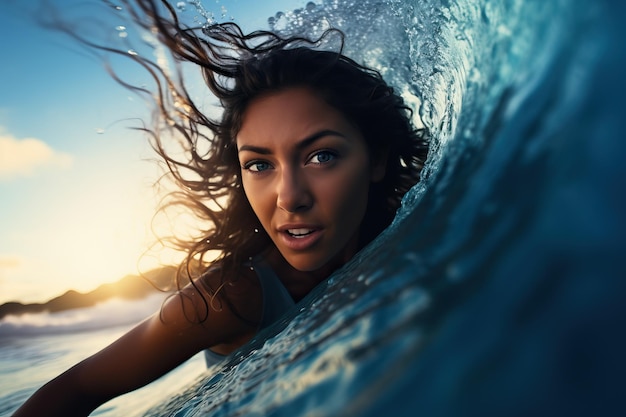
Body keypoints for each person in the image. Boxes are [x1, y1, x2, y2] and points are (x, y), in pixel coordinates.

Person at [14, 1, 429, 415]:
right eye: (259, 164)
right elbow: (72, 391)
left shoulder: (410, 225)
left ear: (376, 160)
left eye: (320, 156)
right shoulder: (230, 297)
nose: (288, 197)